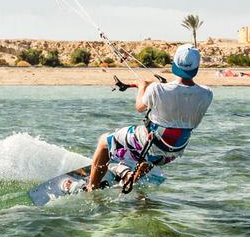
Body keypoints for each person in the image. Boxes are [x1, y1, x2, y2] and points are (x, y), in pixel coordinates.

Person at [85, 44, 213, 193]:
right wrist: (153, 86)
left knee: (104, 142)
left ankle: (91, 188)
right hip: (173, 152)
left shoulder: (157, 89)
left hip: (149, 146)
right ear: (196, 67)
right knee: (157, 142)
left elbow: (140, 107)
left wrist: (141, 86)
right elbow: (182, 94)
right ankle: (130, 178)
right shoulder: (207, 94)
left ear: (175, 64)